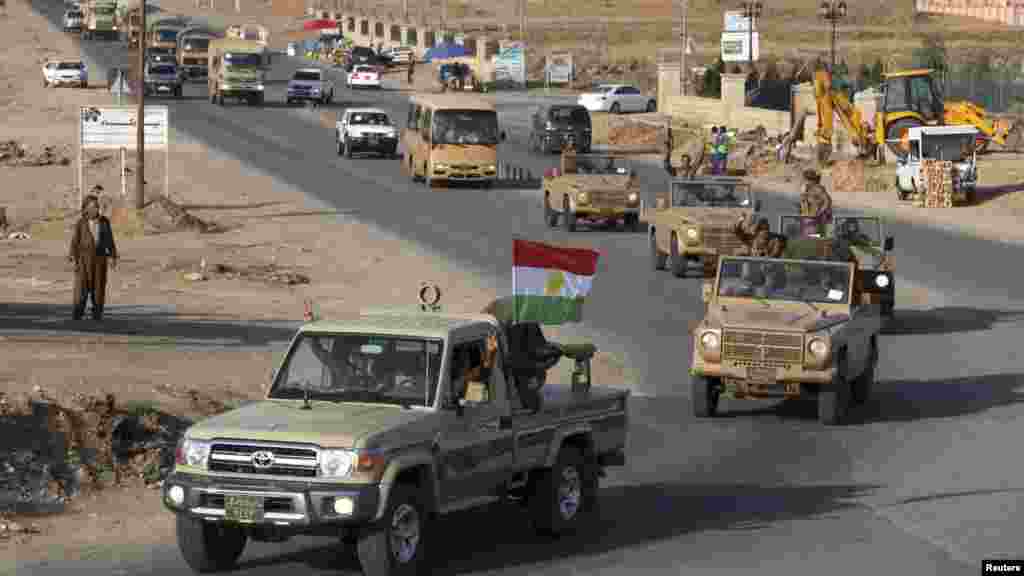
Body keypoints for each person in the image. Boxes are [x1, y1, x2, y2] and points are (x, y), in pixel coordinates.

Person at [68, 194, 117, 321]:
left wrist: (112, 256)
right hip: (83, 260)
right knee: (81, 288)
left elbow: (109, 240)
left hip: (100, 259)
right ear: (86, 209)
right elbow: (75, 240)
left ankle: (97, 314)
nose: (96, 209)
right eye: (93, 207)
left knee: (98, 288)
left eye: (97, 206)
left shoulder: (104, 222)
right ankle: (78, 314)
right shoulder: (81, 223)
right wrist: (72, 255)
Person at [798, 168, 832, 236]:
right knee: (807, 238)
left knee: (813, 237)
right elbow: (804, 201)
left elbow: (828, 201)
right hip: (806, 217)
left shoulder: (818, 188)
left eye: (806, 179)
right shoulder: (806, 188)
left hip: (814, 218)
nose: (804, 181)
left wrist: (819, 212)